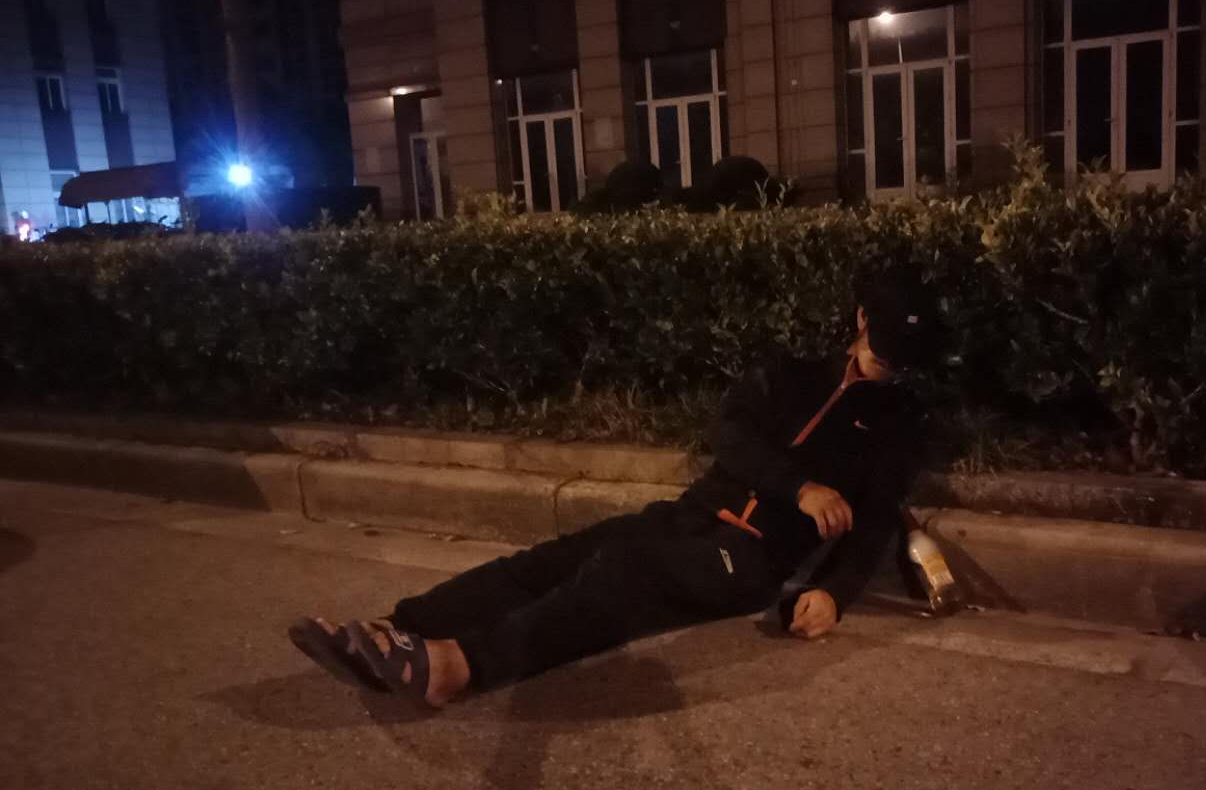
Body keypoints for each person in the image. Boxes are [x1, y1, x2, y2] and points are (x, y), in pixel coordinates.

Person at [289, 268, 942, 708]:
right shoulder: (791, 373)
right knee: (557, 558)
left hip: (749, 557)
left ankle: (460, 665)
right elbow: (731, 438)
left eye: (899, 359)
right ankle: (397, 627)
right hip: (692, 513)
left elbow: (875, 520)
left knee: (622, 573)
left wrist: (833, 593)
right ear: (861, 318)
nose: (885, 365)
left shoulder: (898, 422)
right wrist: (800, 486)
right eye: (880, 345)